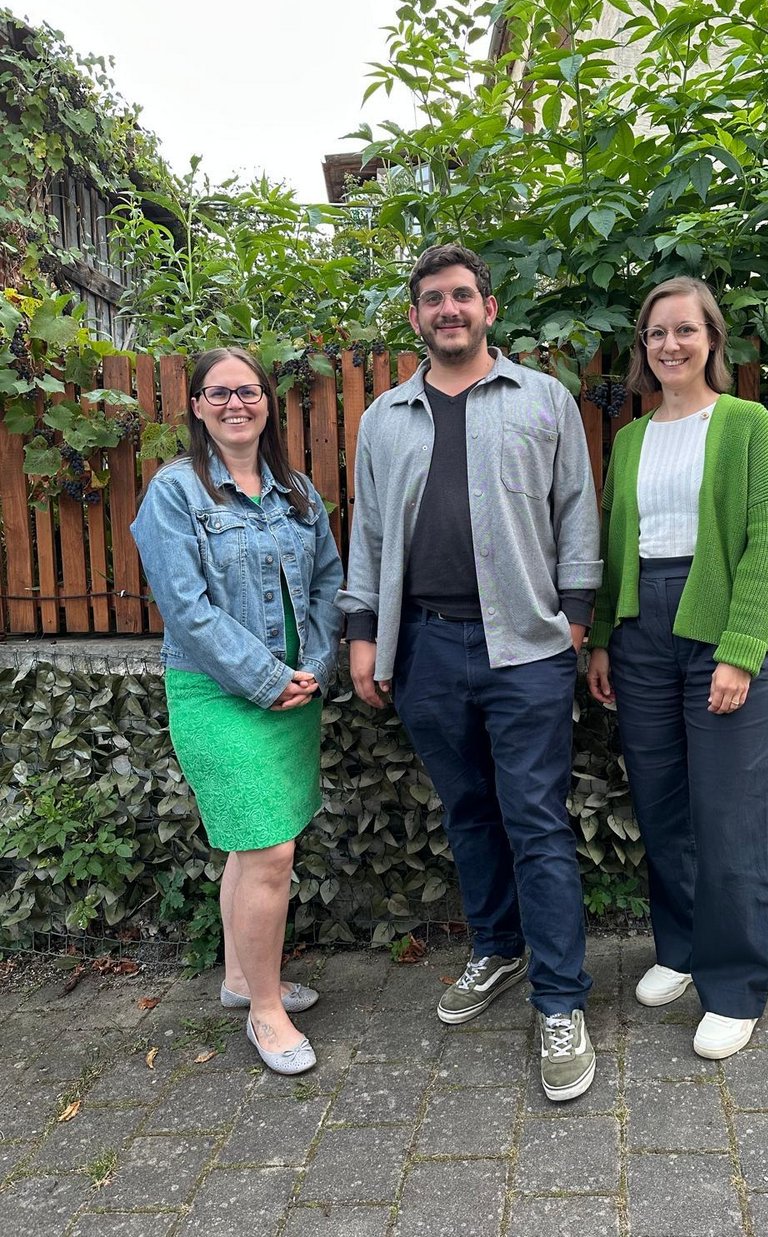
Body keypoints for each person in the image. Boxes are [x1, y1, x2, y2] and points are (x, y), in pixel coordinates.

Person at [338, 243, 602, 1101]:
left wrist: (574, 617)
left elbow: (577, 511)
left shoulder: (545, 399)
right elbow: (369, 532)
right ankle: (498, 948)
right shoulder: (384, 419)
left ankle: (560, 1001)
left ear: (489, 308)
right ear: (416, 316)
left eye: (461, 295)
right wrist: (364, 633)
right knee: (469, 812)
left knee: (536, 820)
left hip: (526, 648)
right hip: (425, 646)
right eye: (431, 298)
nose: (447, 309)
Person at [586, 276, 768, 1061]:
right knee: (663, 803)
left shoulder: (745, 424)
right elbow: (615, 544)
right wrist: (603, 636)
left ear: (711, 340)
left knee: (730, 814)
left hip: (722, 626)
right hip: (641, 632)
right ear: (643, 348)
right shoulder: (632, 438)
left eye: (684, 330)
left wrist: (740, 649)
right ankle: (680, 948)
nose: (669, 344)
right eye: (656, 333)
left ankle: (734, 986)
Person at [131, 347, 343, 1076]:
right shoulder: (174, 492)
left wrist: (314, 668)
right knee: (269, 851)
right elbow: (186, 609)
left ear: (266, 402)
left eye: (247, 391)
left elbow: (328, 583)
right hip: (218, 692)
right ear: (196, 405)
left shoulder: (297, 492)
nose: (234, 404)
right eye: (218, 393)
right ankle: (266, 1011)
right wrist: (265, 678)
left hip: (295, 692)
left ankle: (239, 978)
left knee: (252, 848)